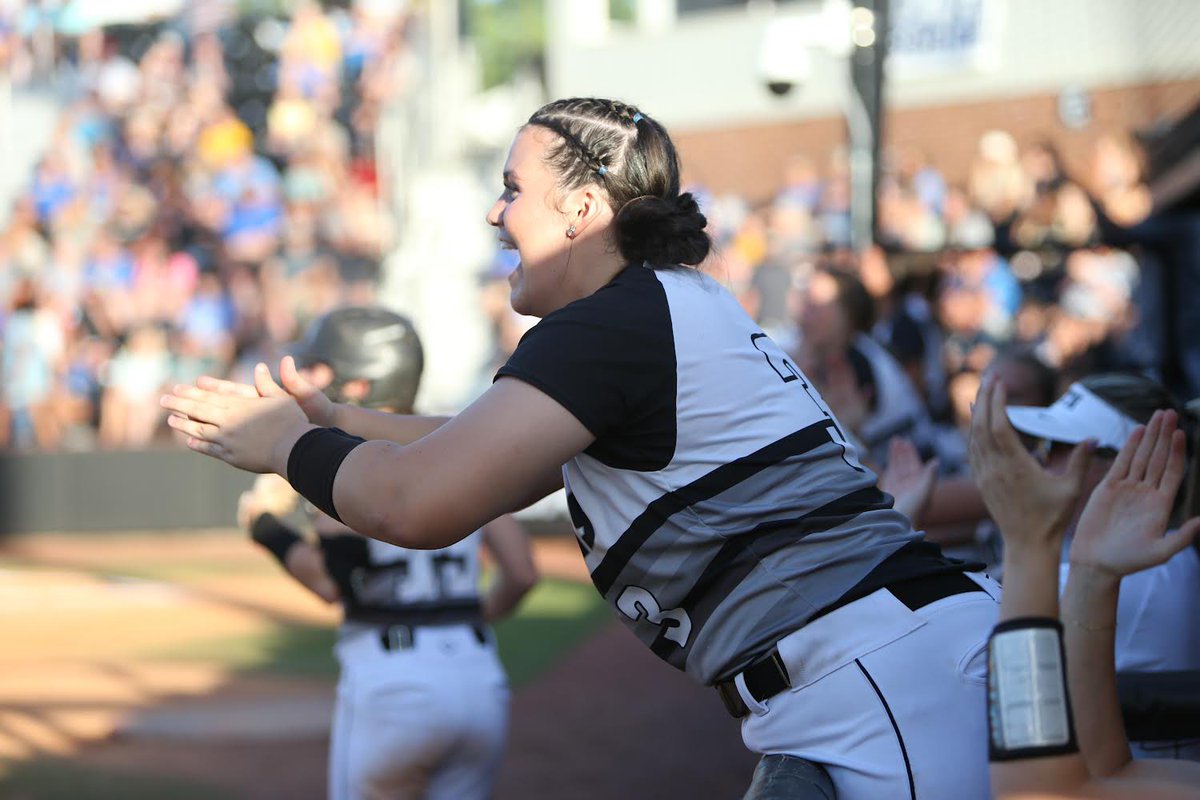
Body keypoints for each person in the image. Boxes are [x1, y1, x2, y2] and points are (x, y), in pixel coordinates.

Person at [163, 97, 1000, 799]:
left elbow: (415, 504)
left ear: (583, 207)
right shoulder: (666, 303)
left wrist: (284, 445)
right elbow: (476, 444)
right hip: (882, 665)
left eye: (511, 189)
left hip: (873, 678)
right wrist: (338, 422)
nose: (496, 212)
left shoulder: (609, 325)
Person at [236, 306, 537, 800]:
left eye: (321, 369)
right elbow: (521, 572)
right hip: (479, 678)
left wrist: (265, 528)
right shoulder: (457, 445)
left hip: (394, 682)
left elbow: (333, 583)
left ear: (360, 385)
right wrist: (461, 619)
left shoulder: (347, 460)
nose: (310, 380)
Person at [967, 375, 1200, 798]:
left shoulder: (1146, 575)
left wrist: (1028, 542)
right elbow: (1099, 774)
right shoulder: (1137, 561)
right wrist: (1090, 571)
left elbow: (1039, 791)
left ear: (1127, 465)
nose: (1037, 462)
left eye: (1057, 448)